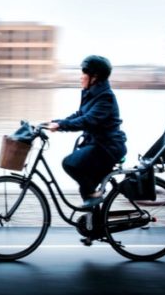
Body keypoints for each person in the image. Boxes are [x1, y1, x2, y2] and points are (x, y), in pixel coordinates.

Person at [45, 55, 127, 208]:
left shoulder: (105, 98)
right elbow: (80, 114)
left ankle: (93, 197)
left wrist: (61, 126)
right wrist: (57, 122)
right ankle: (95, 225)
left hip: (107, 147)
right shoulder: (92, 93)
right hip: (97, 144)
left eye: (84, 73)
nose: (81, 77)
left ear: (95, 77)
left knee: (70, 163)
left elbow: (87, 120)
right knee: (86, 185)